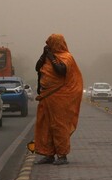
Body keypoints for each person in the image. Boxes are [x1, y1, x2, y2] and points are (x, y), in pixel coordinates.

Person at [33, 34, 83, 166]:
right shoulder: (47, 57)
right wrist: (44, 55)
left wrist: (50, 56)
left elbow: (61, 71)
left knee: (59, 125)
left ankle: (62, 155)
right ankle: (48, 154)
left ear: (57, 44)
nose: (49, 46)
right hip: (46, 96)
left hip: (60, 97)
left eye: (51, 44)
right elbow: (37, 68)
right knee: (45, 126)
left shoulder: (67, 57)